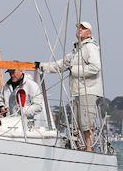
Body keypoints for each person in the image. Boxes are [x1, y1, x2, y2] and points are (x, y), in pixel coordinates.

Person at [40, 21, 103, 151]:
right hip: (77, 91)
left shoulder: (91, 47)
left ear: (89, 33)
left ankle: (89, 149)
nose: (80, 29)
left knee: (86, 123)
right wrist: (41, 66)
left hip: (88, 90)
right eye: (79, 27)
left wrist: (74, 70)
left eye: (83, 28)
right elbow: (60, 65)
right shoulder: (76, 50)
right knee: (76, 123)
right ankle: (80, 147)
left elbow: (96, 67)